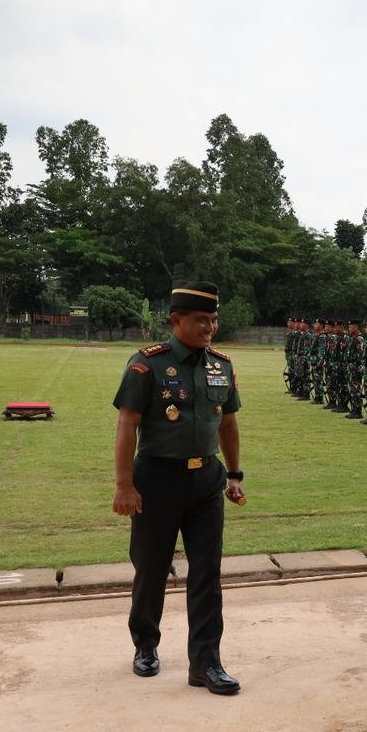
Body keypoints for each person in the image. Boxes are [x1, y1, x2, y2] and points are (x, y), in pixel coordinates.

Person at [111, 282, 246, 696]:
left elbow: (227, 423)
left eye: (214, 320)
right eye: (201, 320)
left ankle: (206, 663)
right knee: (151, 569)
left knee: (207, 573)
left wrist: (235, 475)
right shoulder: (147, 364)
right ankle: (145, 644)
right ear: (176, 320)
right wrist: (124, 485)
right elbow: (127, 423)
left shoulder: (221, 365)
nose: (210, 327)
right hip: (157, 480)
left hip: (206, 481)